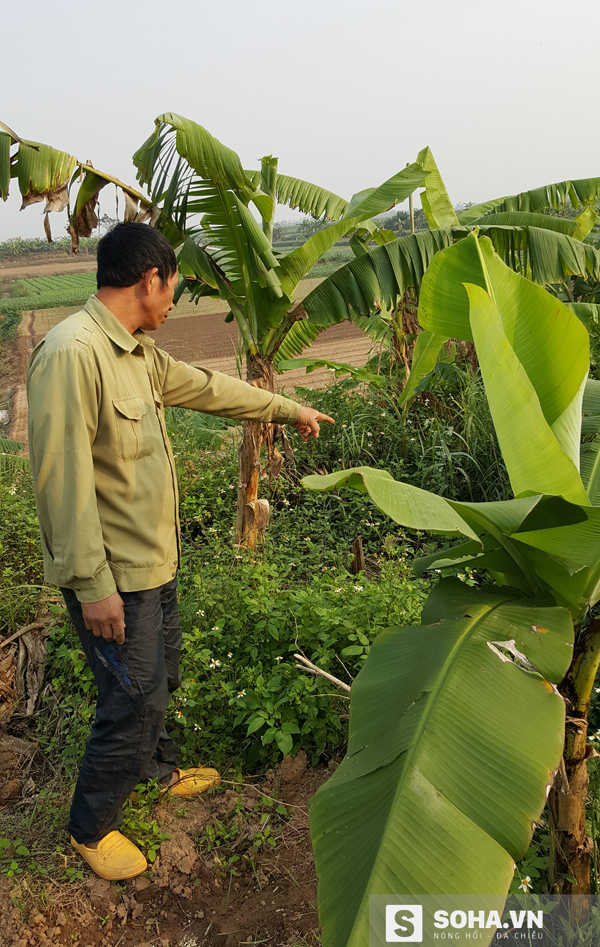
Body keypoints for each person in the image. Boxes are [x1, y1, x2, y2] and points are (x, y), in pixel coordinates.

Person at [26, 222, 334, 881]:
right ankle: (90, 824)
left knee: (160, 681)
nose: (174, 302)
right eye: (174, 287)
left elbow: (208, 387)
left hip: (155, 564)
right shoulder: (71, 352)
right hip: (114, 577)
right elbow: (62, 480)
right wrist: (92, 584)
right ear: (148, 280)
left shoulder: (137, 352)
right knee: (131, 700)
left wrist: (285, 408)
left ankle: (158, 774)